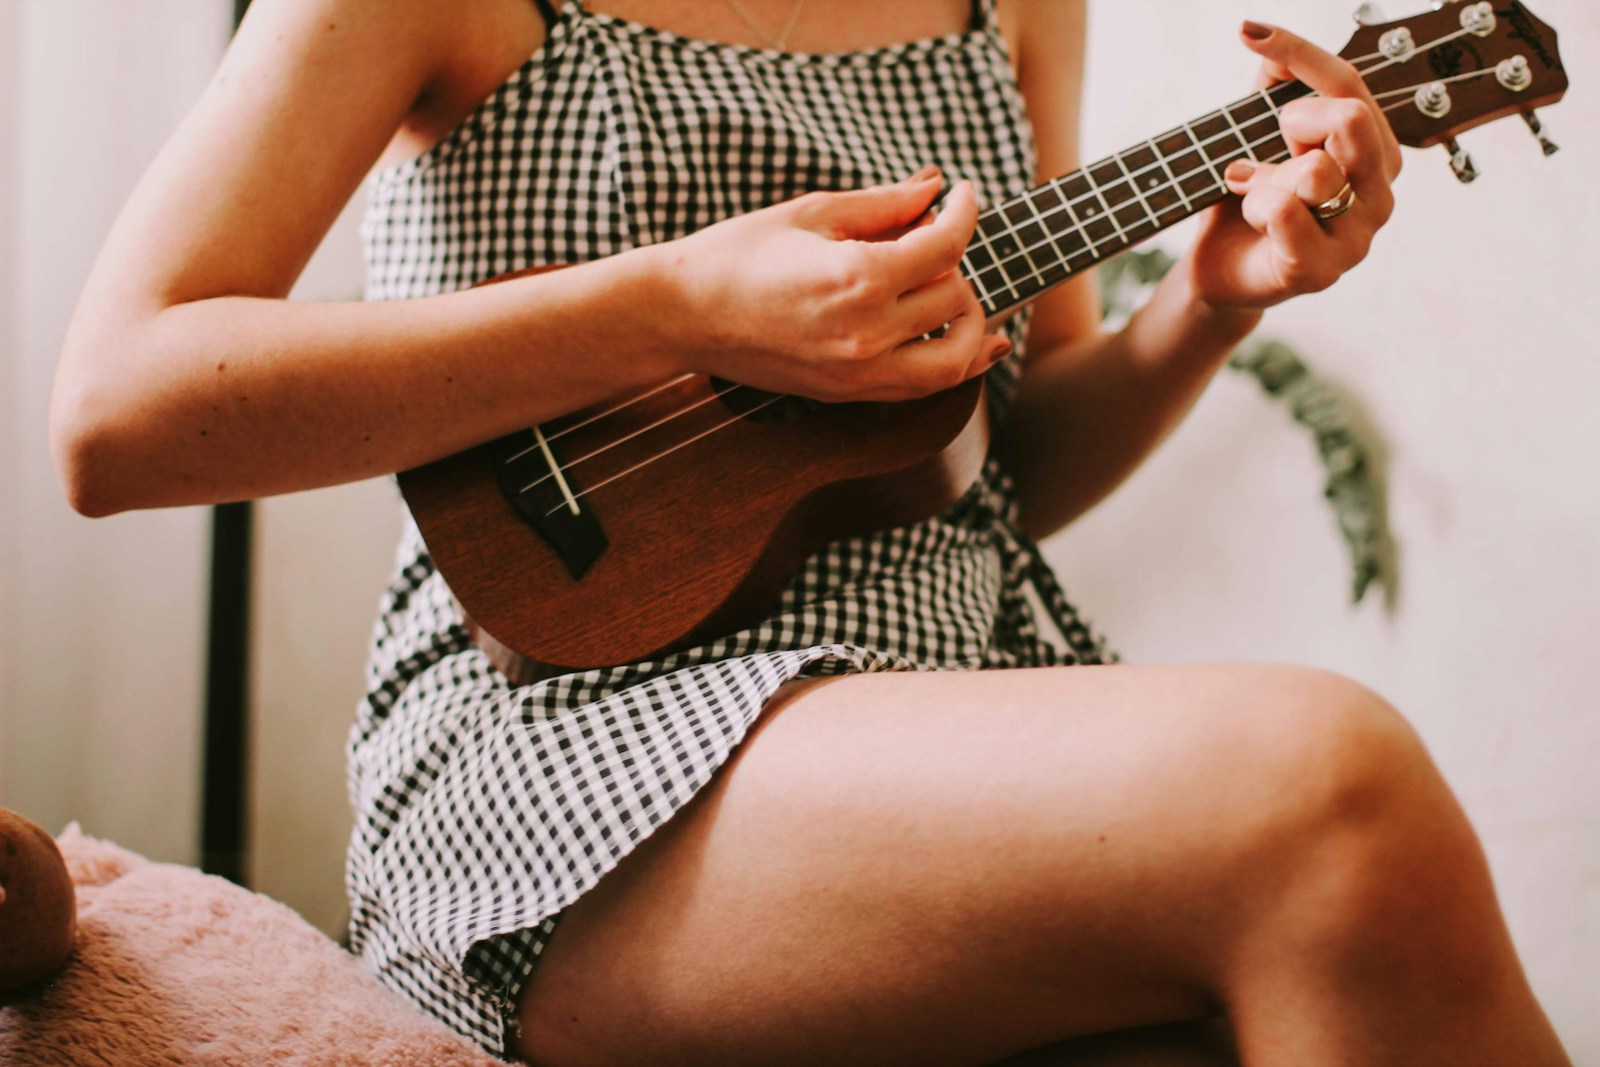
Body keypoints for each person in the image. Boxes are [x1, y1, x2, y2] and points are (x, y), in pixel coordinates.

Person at [50, 0, 1571, 1064]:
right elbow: (117, 414)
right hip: (566, 746)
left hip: (937, 733)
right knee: (1327, 782)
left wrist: (1205, 303)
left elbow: (994, 464)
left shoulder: (1011, 5)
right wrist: (674, 303)